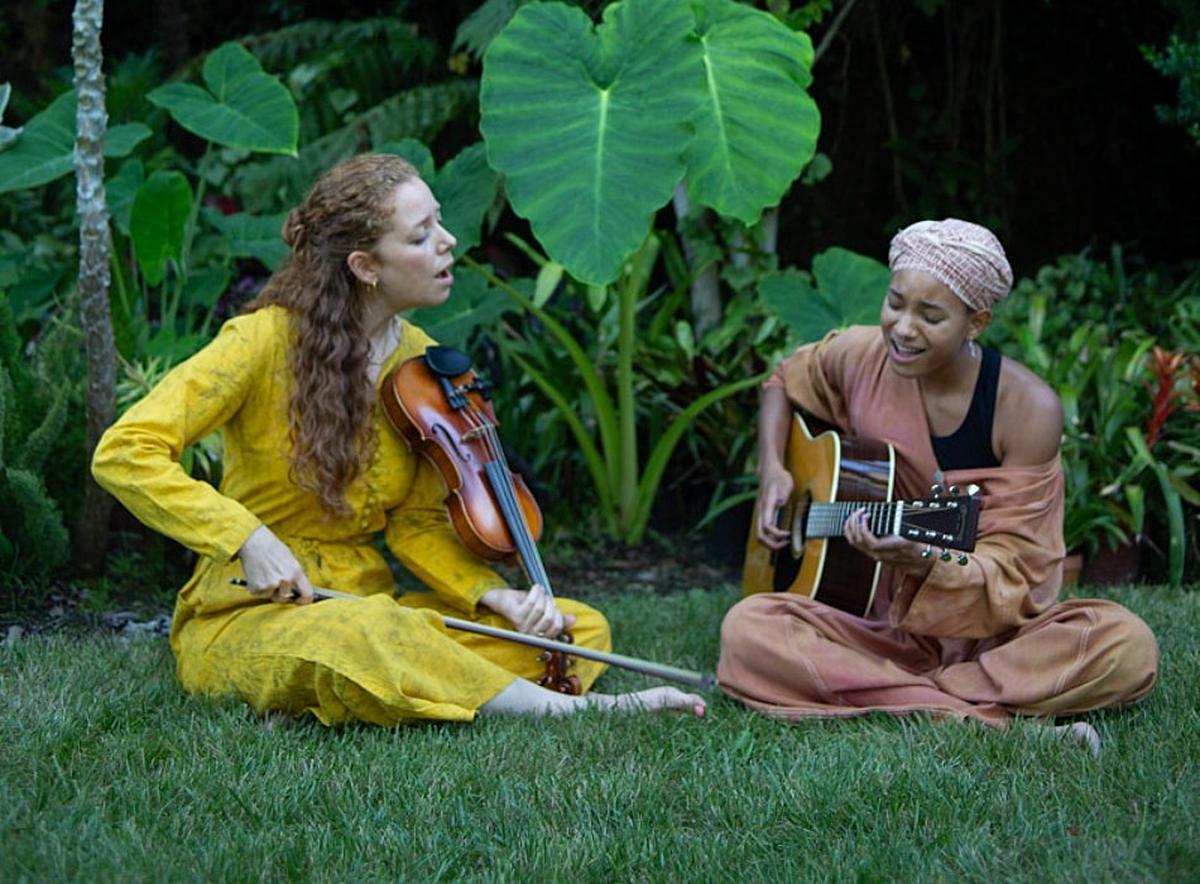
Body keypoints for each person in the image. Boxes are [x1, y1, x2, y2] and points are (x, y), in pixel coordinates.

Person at [92, 153, 705, 724]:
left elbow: (415, 525)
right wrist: (246, 537)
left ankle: (443, 681)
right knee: (364, 637)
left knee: (575, 626)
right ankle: (564, 712)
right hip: (251, 615)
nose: (448, 243)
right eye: (420, 236)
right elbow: (125, 452)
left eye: (439, 223)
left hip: (370, 605)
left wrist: (495, 599)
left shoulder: (424, 368)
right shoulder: (260, 342)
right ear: (365, 267)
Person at [717, 218, 1158, 751]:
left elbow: (1021, 570)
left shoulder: (1026, 408)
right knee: (748, 630)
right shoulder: (860, 357)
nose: (902, 329)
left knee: (1126, 646)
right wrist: (773, 469)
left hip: (992, 634)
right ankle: (975, 712)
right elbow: (784, 380)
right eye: (895, 303)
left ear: (977, 322)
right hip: (873, 621)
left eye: (930, 316)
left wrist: (925, 562)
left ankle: (904, 695)